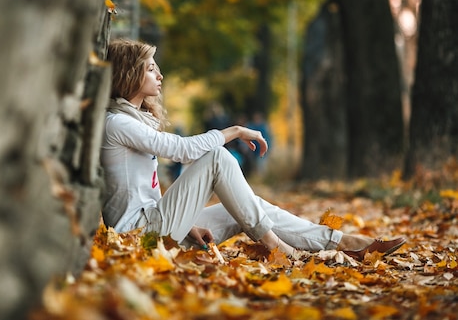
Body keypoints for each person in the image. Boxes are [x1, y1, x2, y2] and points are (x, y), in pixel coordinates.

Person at [100, 38, 405, 260]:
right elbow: (182, 150)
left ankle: (344, 242)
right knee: (218, 156)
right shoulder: (117, 123)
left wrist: (189, 224)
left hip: (153, 228)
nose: (160, 75)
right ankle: (279, 248)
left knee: (252, 206)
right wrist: (234, 131)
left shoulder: (134, 121)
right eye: (152, 69)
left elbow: (145, 196)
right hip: (139, 239)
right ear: (129, 74)